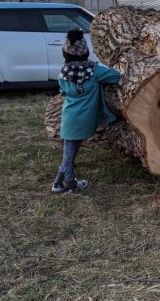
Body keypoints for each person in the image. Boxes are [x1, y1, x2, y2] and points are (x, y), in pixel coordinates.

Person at [52, 29, 121, 194]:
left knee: (70, 152)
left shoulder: (63, 74)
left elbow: (63, 92)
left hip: (69, 118)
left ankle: (59, 183)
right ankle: (69, 184)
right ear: (86, 52)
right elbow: (115, 76)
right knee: (70, 154)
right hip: (85, 120)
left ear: (65, 54)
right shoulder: (94, 71)